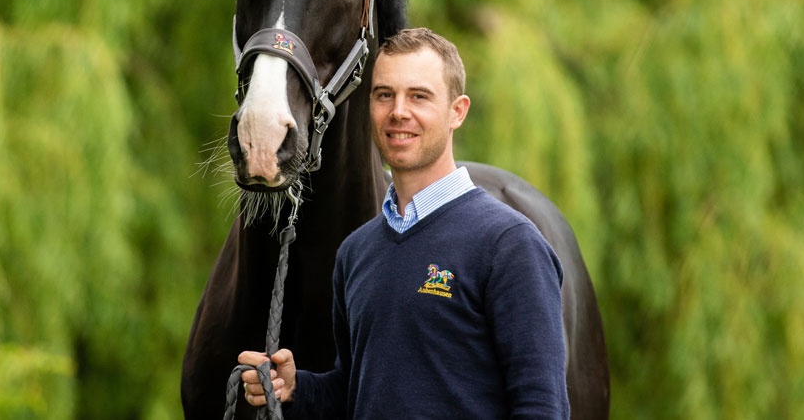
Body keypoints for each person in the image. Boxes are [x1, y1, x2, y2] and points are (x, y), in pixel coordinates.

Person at [238, 27, 570, 419]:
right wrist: (297, 388)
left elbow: (541, 405)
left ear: (457, 111)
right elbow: (355, 390)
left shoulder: (509, 245)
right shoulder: (356, 253)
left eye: (419, 96)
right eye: (384, 95)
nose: (398, 111)